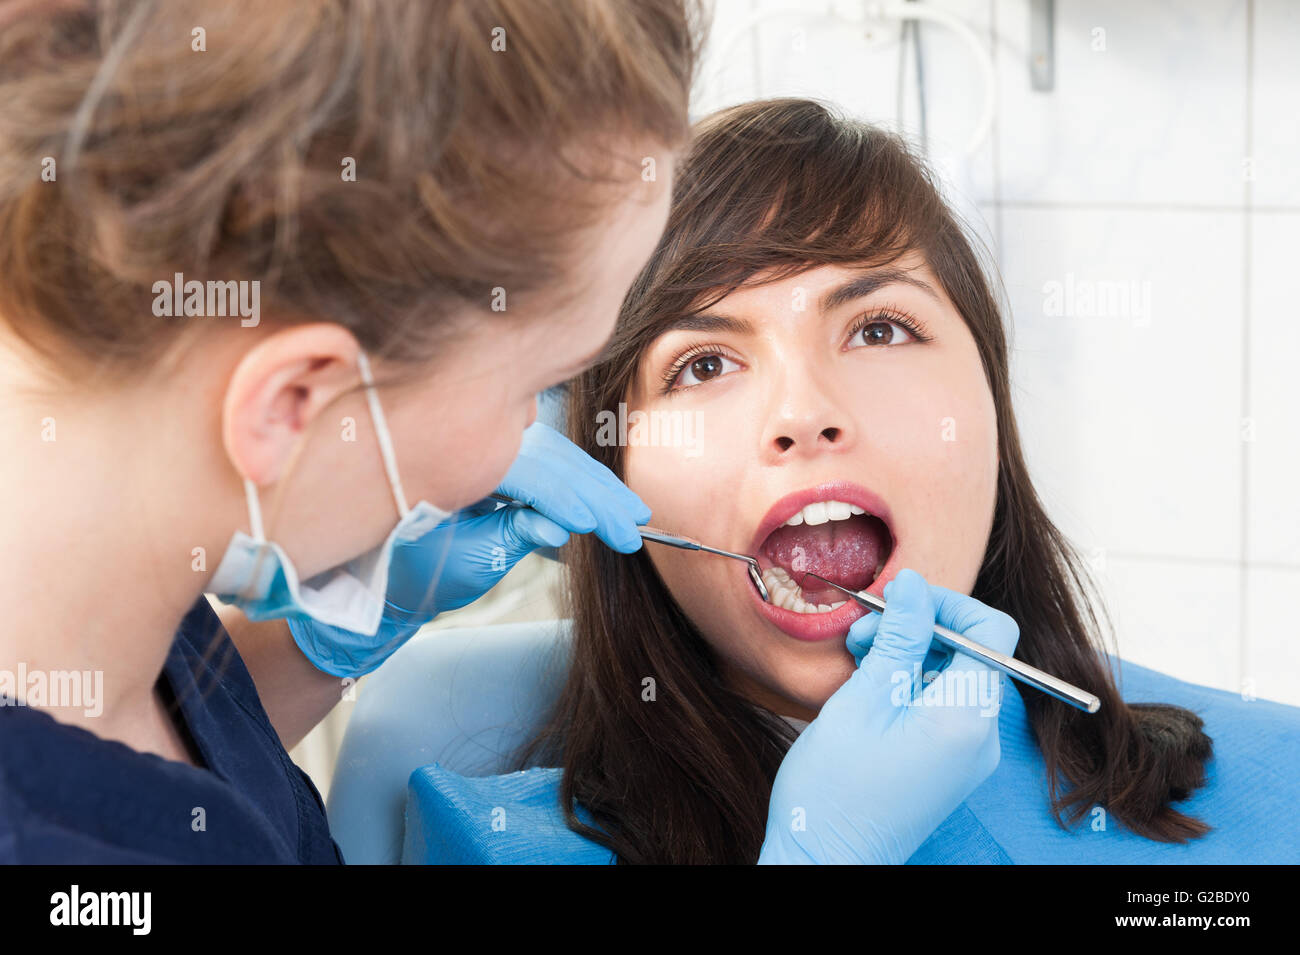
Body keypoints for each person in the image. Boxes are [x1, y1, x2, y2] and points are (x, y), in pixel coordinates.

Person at [399, 99, 1300, 864]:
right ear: (613, 468)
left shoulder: (1278, 781)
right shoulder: (495, 843)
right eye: (704, 363)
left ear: (991, 405)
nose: (802, 411)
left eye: (877, 329)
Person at [0, 0, 698, 863]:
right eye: (536, 384)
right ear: (295, 403)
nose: (543, 433)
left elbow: (175, 782)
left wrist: (327, 636)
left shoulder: (94, 590)